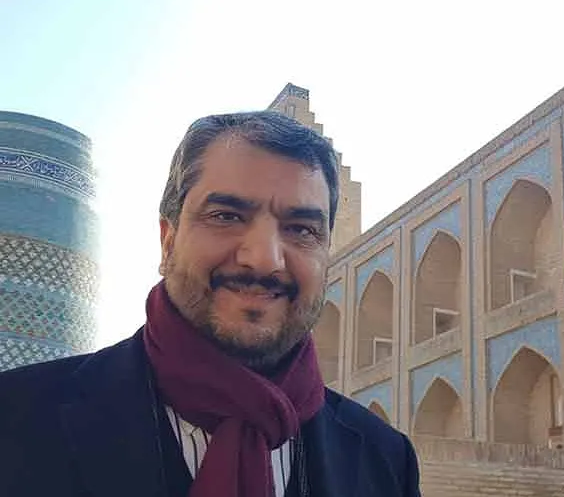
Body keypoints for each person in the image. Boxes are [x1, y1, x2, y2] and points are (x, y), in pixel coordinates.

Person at [0, 111, 421, 497]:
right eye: (226, 216)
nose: (264, 259)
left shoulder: (383, 460)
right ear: (168, 241)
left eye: (301, 229)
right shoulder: (17, 418)